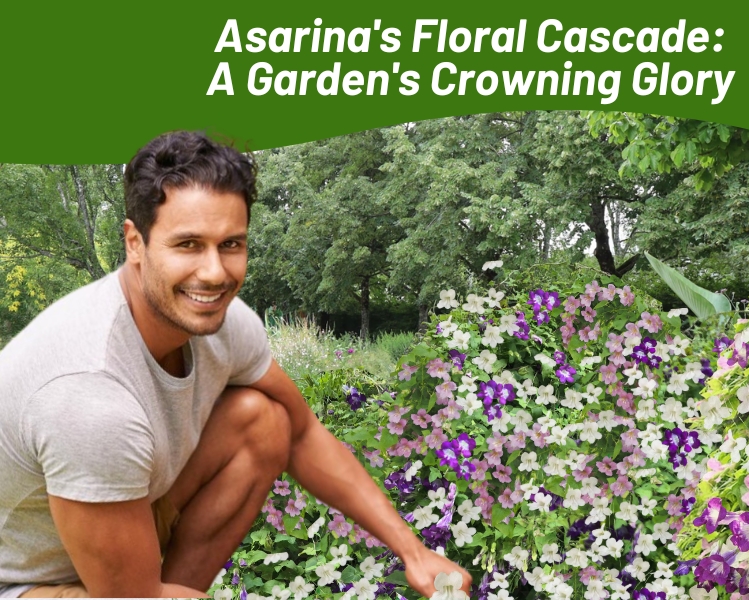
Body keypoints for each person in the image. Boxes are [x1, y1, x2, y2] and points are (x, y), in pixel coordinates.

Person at [0, 131, 471, 598]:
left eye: (230, 244)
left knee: (264, 421)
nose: (215, 273)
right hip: (25, 581)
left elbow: (304, 433)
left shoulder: (223, 324)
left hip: (124, 525)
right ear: (135, 243)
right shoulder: (88, 390)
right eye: (187, 244)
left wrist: (414, 552)